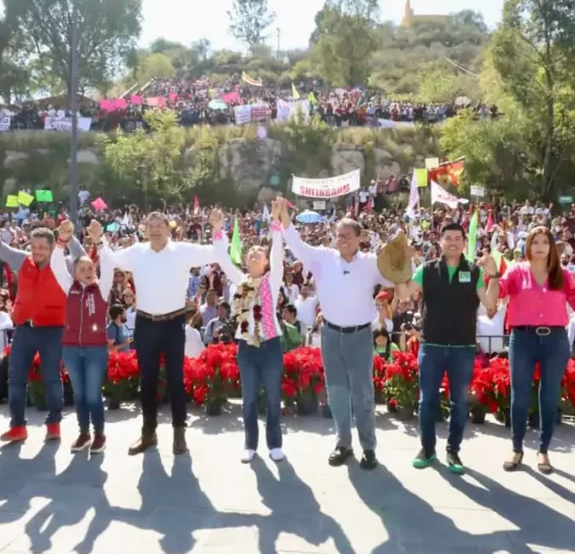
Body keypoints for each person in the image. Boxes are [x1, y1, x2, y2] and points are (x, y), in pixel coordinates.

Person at [279, 202, 400, 470]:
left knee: (363, 395)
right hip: (331, 335)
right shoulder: (323, 257)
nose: (342, 239)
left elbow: (397, 276)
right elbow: (297, 245)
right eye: (338, 234)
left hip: (359, 337)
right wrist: (285, 221)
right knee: (336, 393)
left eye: (347, 235)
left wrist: (399, 257)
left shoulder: (371, 263)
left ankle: (368, 447)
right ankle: (343, 443)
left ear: (359, 238)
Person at [0, 199, 86, 444]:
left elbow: (84, 260)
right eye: (34, 246)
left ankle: (54, 424)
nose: (37, 251)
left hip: (54, 330)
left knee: (52, 378)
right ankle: (17, 426)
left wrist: (70, 237)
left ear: (53, 246)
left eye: (43, 247)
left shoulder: (64, 263)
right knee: (15, 378)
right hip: (24, 329)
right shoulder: (23, 260)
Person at [113, 209, 226, 456]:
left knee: (175, 379)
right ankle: (148, 433)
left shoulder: (182, 250)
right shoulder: (137, 251)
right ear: (144, 228)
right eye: (150, 225)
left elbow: (216, 252)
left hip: (173, 323)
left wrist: (217, 229)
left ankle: (179, 433)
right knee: (148, 380)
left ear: (168, 228)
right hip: (145, 323)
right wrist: (99, 238)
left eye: (159, 225)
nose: (154, 229)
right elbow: (112, 259)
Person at [397, 222, 498, 474]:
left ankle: (453, 451)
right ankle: (427, 449)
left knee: (459, 402)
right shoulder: (427, 270)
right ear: (440, 242)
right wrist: (402, 263)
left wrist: (494, 276)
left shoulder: (474, 271)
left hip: (463, 348)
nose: (453, 242)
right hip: (431, 346)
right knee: (427, 400)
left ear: (464, 243)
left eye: (457, 238)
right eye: (448, 237)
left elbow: (489, 303)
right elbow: (403, 293)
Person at [497, 226, 575, 474]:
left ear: (552, 247)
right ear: (527, 246)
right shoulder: (517, 272)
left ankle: (543, 450)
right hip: (523, 338)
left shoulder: (562, 275)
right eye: (535, 242)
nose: (539, 246)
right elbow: (498, 293)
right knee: (519, 397)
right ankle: (516, 448)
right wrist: (492, 274)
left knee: (549, 397)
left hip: (555, 340)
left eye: (545, 242)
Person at [213, 198, 286, 463]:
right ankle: (250, 443)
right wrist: (219, 230)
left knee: (273, 397)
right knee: (248, 399)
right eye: (250, 251)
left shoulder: (272, 280)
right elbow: (221, 258)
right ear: (245, 259)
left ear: (266, 261)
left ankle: (275, 443)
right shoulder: (239, 280)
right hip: (246, 346)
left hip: (270, 345)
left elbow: (278, 253)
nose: (254, 253)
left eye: (259, 252)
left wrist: (276, 224)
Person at [52, 219, 115, 454]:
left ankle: (99, 434)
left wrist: (100, 240)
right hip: (70, 348)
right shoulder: (69, 286)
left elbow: (109, 265)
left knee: (92, 394)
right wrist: (61, 240)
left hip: (95, 349)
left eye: (91, 268)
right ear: (75, 273)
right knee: (79, 394)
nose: (88, 272)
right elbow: (56, 265)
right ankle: (84, 434)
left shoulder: (102, 288)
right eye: (83, 269)